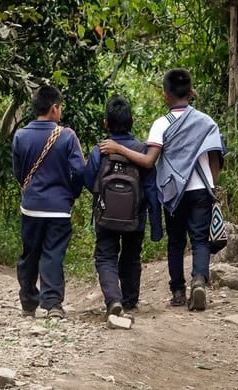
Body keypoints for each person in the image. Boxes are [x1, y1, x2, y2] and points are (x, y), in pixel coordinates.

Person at [99, 68, 223, 311]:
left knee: (176, 242)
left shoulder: (161, 124)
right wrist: (212, 184)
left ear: (166, 96)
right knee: (199, 239)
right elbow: (215, 159)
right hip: (201, 189)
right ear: (190, 91)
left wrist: (119, 148)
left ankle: (178, 291)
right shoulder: (208, 122)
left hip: (175, 191)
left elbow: (148, 161)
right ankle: (198, 280)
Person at [83, 95, 161, 319]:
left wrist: (105, 199)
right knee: (131, 255)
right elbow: (151, 188)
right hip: (135, 216)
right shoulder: (142, 151)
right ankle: (129, 300)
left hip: (106, 215)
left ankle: (113, 300)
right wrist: (156, 225)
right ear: (132, 122)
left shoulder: (100, 150)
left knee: (105, 256)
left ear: (106, 124)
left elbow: (89, 180)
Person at [11, 84, 85, 318]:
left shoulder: (21, 135)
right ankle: (52, 304)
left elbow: (18, 171)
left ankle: (28, 302)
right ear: (54, 108)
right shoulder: (67, 136)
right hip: (59, 209)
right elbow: (80, 172)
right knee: (53, 254)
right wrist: (70, 194)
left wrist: (31, 189)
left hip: (31, 206)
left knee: (30, 254)